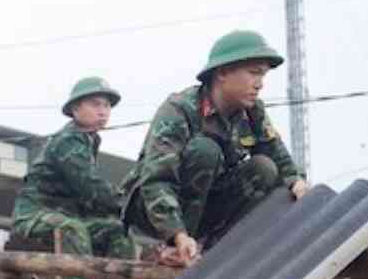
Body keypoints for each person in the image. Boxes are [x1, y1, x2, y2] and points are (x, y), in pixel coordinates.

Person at [120, 30, 307, 264]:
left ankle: (218, 249)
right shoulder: (180, 109)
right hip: (153, 215)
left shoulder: (251, 112)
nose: (259, 84)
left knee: (264, 168)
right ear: (223, 73)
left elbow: (277, 156)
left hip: (204, 208)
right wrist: (177, 235)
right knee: (205, 150)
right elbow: (157, 179)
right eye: (253, 73)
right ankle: (168, 248)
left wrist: (297, 181)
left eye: (263, 76)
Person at [10, 75, 130, 279]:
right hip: (35, 214)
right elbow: (90, 188)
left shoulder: (89, 139)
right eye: (95, 104)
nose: (103, 111)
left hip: (70, 215)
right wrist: (129, 204)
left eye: (106, 105)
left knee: (119, 231)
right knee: (71, 228)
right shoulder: (69, 140)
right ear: (75, 109)